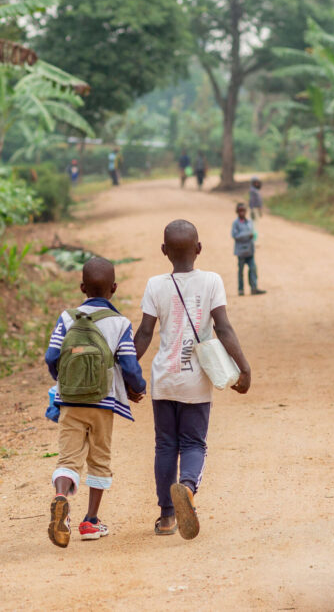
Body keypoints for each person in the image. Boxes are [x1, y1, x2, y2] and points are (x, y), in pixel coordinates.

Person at [134, 220, 251, 540]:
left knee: (165, 445)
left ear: (164, 252)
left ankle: (167, 516)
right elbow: (223, 328)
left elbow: (144, 333)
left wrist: (127, 372)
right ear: (198, 249)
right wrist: (243, 366)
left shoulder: (155, 285)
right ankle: (186, 487)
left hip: (164, 380)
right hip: (196, 380)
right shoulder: (212, 281)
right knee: (194, 443)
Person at [44, 258, 147, 548]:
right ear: (114, 289)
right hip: (103, 404)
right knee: (99, 461)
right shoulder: (120, 323)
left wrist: (63, 381)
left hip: (70, 401)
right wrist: (137, 388)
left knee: (68, 459)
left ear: (82, 287)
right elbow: (129, 364)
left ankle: (61, 497)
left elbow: (52, 358)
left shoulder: (66, 318)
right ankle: (90, 521)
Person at [232, 203, 266, 296]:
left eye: (243, 210)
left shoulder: (249, 222)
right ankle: (241, 289)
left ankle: (254, 288)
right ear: (237, 212)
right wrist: (247, 234)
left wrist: (251, 236)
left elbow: (253, 233)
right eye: (240, 210)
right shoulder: (236, 223)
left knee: (253, 269)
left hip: (250, 250)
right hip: (241, 251)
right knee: (241, 271)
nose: (242, 212)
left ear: (246, 211)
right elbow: (235, 236)